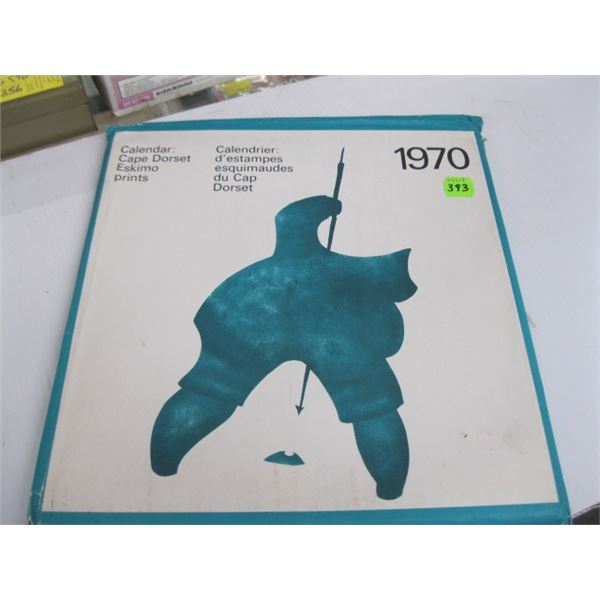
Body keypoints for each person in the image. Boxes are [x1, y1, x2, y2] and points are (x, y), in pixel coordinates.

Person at [151, 195, 417, 500]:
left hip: (253, 313)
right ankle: (390, 489)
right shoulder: (354, 277)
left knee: (211, 388)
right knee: (370, 402)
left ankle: (163, 466)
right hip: (305, 325)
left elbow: (293, 220)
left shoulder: (267, 275)